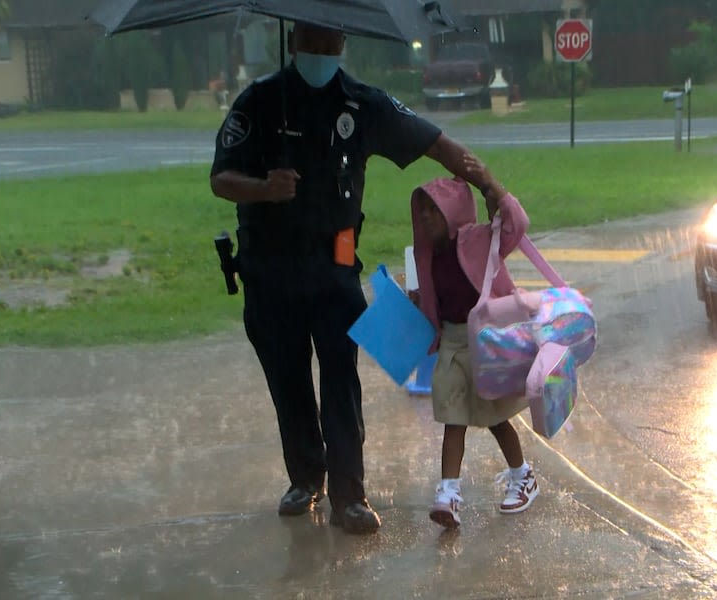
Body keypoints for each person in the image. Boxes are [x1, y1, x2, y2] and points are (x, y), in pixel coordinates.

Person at [208, 21, 513, 535]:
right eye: (313, 40)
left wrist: (488, 182)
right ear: (294, 41)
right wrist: (264, 188)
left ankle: (349, 494)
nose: (323, 50)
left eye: (332, 41)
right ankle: (306, 478)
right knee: (288, 382)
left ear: (344, 44)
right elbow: (220, 178)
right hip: (270, 272)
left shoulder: (363, 105)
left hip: (333, 269)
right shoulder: (258, 103)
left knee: (341, 382)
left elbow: (434, 143)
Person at [410, 174, 539, 530]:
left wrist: (490, 184)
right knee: (453, 418)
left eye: (433, 213)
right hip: (452, 342)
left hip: (485, 341)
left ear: (451, 213)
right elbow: (437, 298)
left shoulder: (478, 239)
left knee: (496, 417)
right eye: (422, 214)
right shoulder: (428, 254)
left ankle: (523, 475)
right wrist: (421, 302)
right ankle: (448, 493)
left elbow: (517, 225)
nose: (426, 220)